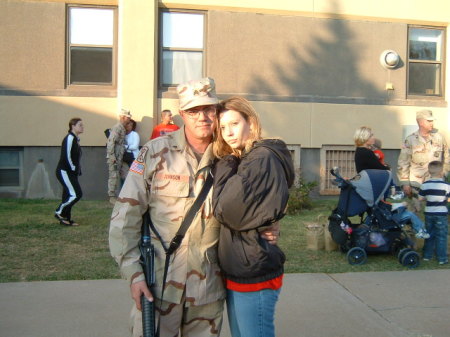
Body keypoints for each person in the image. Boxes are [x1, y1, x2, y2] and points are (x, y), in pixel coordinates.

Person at [109, 77, 225, 337]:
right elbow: (125, 217)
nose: (202, 117)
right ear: (182, 113)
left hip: (208, 289)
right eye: (194, 110)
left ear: (217, 111)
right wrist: (134, 275)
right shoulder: (154, 152)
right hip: (159, 285)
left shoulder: (228, 157)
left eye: (209, 109)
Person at [212, 96, 295, 337]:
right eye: (223, 127)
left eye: (234, 124)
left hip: (254, 270)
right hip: (242, 266)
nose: (228, 133)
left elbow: (227, 209)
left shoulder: (260, 158)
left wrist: (227, 161)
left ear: (251, 122)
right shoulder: (245, 158)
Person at [397, 109, 450, 212]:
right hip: (416, 186)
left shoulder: (439, 138)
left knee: (436, 215)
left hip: (436, 185)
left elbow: (447, 158)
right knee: (415, 214)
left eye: (432, 121)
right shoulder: (411, 140)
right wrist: (405, 183)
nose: (432, 123)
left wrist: (444, 174)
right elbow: (403, 162)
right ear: (421, 122)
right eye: (429, 121)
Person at [418, 161, 450, 264]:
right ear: (441, 172)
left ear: (429, 171)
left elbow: (420, 198)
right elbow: (449, 199)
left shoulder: (425, 185)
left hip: (429, 213)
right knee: (441, 236)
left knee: (429, 234)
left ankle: (427, 255)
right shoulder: (446, 185)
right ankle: (442, 258)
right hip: (441, 213)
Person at [54, 118, 84, 226]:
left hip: (71, 172)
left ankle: (66, 219)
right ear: (73, 126)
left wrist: (77, 170)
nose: (82, 127)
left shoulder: (76, 139)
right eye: (80, 125)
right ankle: (59, 212)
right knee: (76, 194)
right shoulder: (70, 138)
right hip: (64, 171)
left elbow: (76, 157)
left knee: (68, 195)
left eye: (82, 125)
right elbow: (67, 156)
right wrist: (73, 168)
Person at [106, 108, 131, 204]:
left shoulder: (122, 128)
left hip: (121, 157)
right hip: (115, 157)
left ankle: (126, 195)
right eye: (128, 117)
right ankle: (111, 196)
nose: (129, 119)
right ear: (123, 117)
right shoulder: (117, 128)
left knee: (127, 174)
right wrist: (112, 157)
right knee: (113, 176)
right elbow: (111, 142)